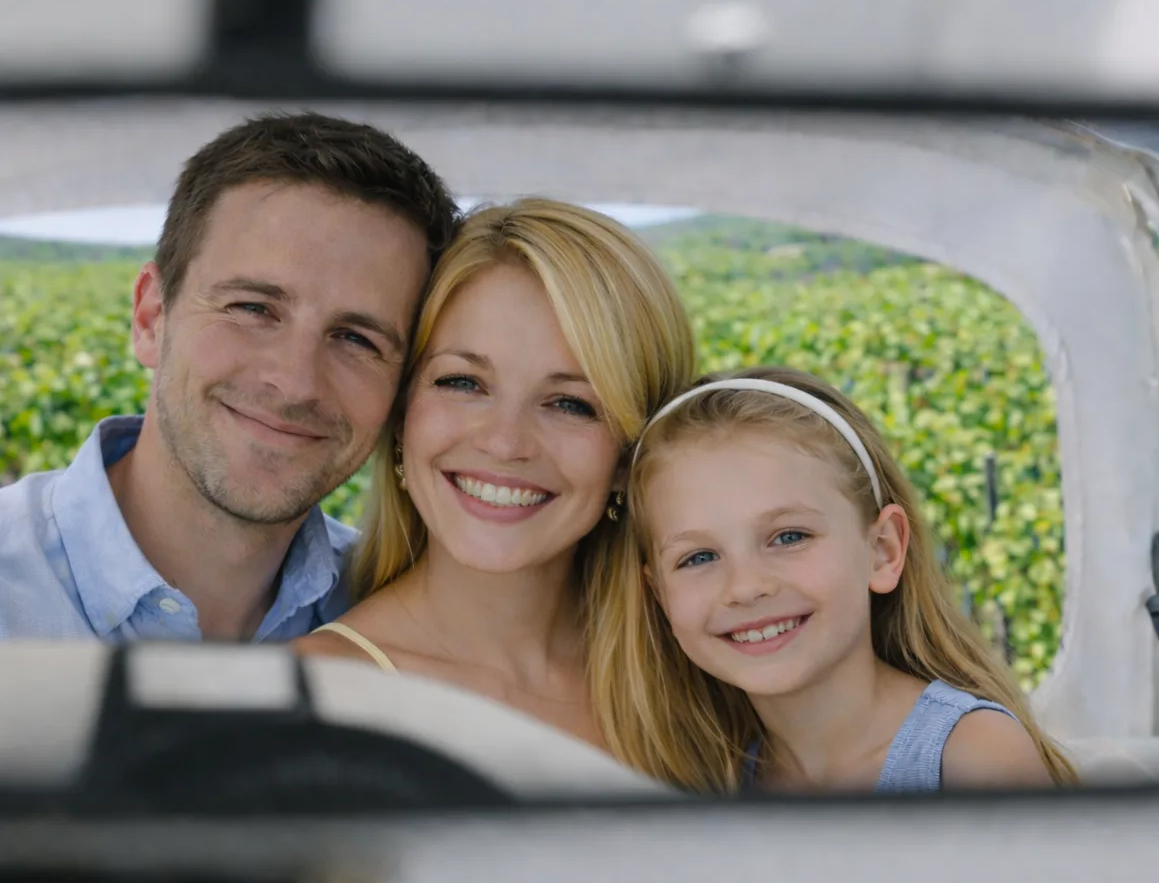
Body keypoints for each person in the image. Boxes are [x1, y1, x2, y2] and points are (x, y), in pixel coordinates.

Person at [0, 113, 461, 642]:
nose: (295, 383)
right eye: (252, 308)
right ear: (151, 317)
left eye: (358, 339)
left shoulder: (405, 623)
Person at [292, 199, 696, 752]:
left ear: (630, 457)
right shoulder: (309, 708)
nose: (505, 443)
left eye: (571, 404)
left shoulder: (699, 680)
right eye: (463, 382)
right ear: (404, 413)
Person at [587, 366, 1077, 793]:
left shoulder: (974, 758)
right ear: (659, 595)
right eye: (698, 557)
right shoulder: (723, 780)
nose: (746, 587)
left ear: (882, 550)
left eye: (788, 537)